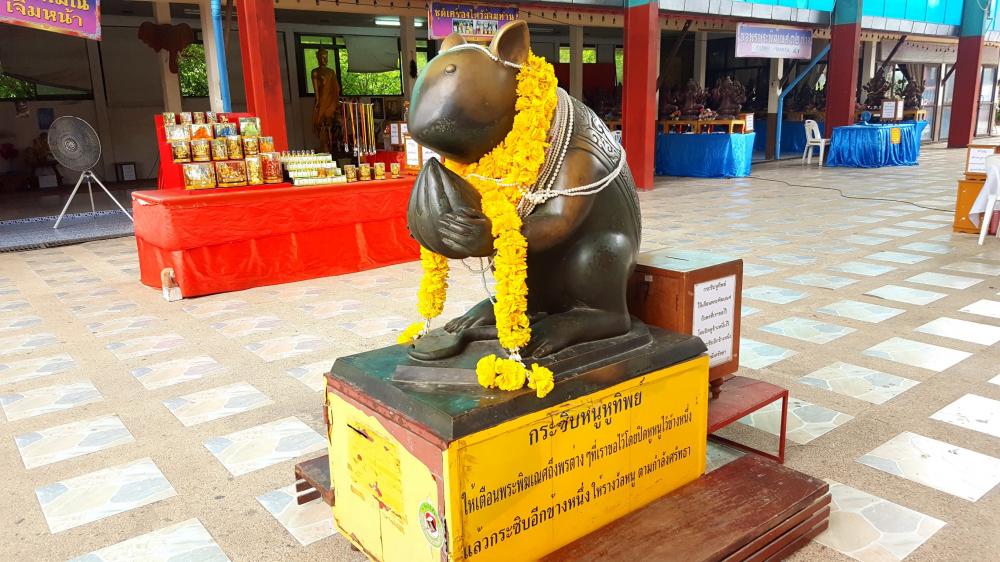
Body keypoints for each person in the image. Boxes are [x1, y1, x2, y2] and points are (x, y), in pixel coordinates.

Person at [311, 48, 340, 152]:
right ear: (318, 58)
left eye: (326, 57)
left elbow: (336, 87)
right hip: (322, 100)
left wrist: (335, 102)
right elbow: (316, 90)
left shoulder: (331, 72)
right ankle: (323, 144)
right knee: (321, 123)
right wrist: (318, 101)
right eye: (322, 58)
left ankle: (330, 144)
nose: (324, 60)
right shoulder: (315, 72)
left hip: (331, 100)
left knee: (330, 122)